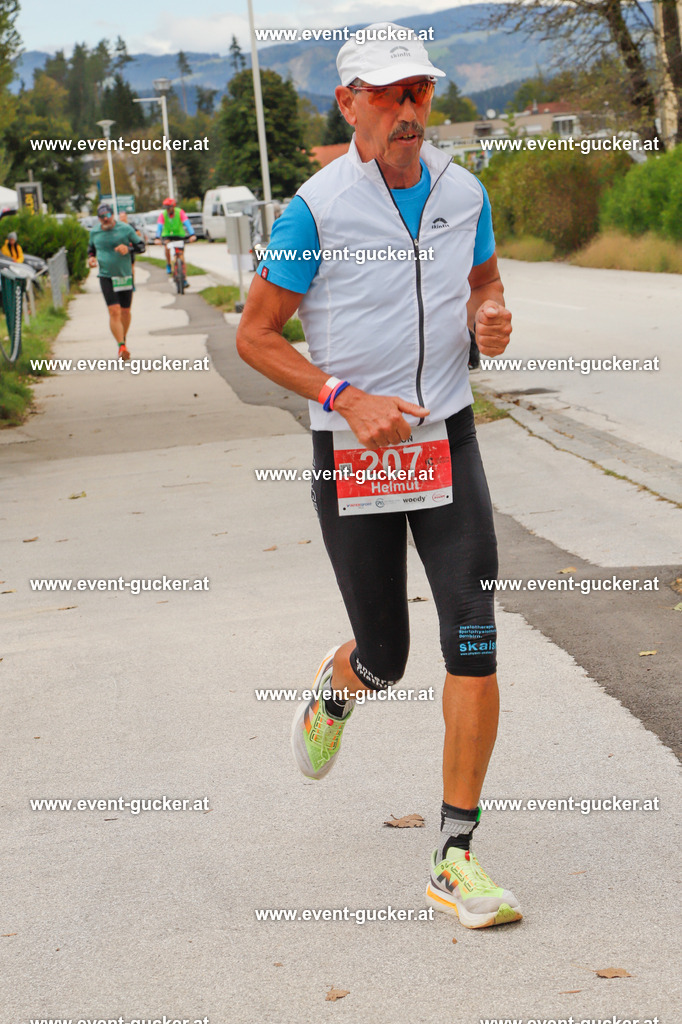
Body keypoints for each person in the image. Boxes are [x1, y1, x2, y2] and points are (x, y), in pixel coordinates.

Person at [236, 23, 519, 931]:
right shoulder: (313, 212)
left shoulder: (463, 190)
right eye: (389, 93)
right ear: (348, 102)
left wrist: (491, 313)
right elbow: (256, 336)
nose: (407, 109)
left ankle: (455, 855)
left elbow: (483, 282)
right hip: (354, 450)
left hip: (447, 439)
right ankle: (340, 685)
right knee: (386, 657)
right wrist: (344, 396)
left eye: (419, 91)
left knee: (473, 634)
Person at [87, 202, 145, 361]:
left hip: (124, 275)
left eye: (107, 215)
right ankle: (121, 346)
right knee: (114, 311)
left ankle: (123, 338)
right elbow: (91, 249)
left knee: (125, 311)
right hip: (106, 276)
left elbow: (141, 246)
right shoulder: (95, 232)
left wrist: (129, 249)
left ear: (113, 215)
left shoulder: (125, 229)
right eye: (101, 217)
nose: (105, 219)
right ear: (98, 218)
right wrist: (91, 258)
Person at [154, 198, 196, 285]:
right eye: (166, 208)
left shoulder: (180, 212)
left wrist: (192, 234)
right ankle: (169, 264)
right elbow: (159, 227)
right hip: (167, 235)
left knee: (181, 257)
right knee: (167, 248)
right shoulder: (163, 215)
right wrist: (157, 238)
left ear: (173, 207)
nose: (167, 210)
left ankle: (184, 279)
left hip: (179, 235)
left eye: (168, 208)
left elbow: (187, 223)